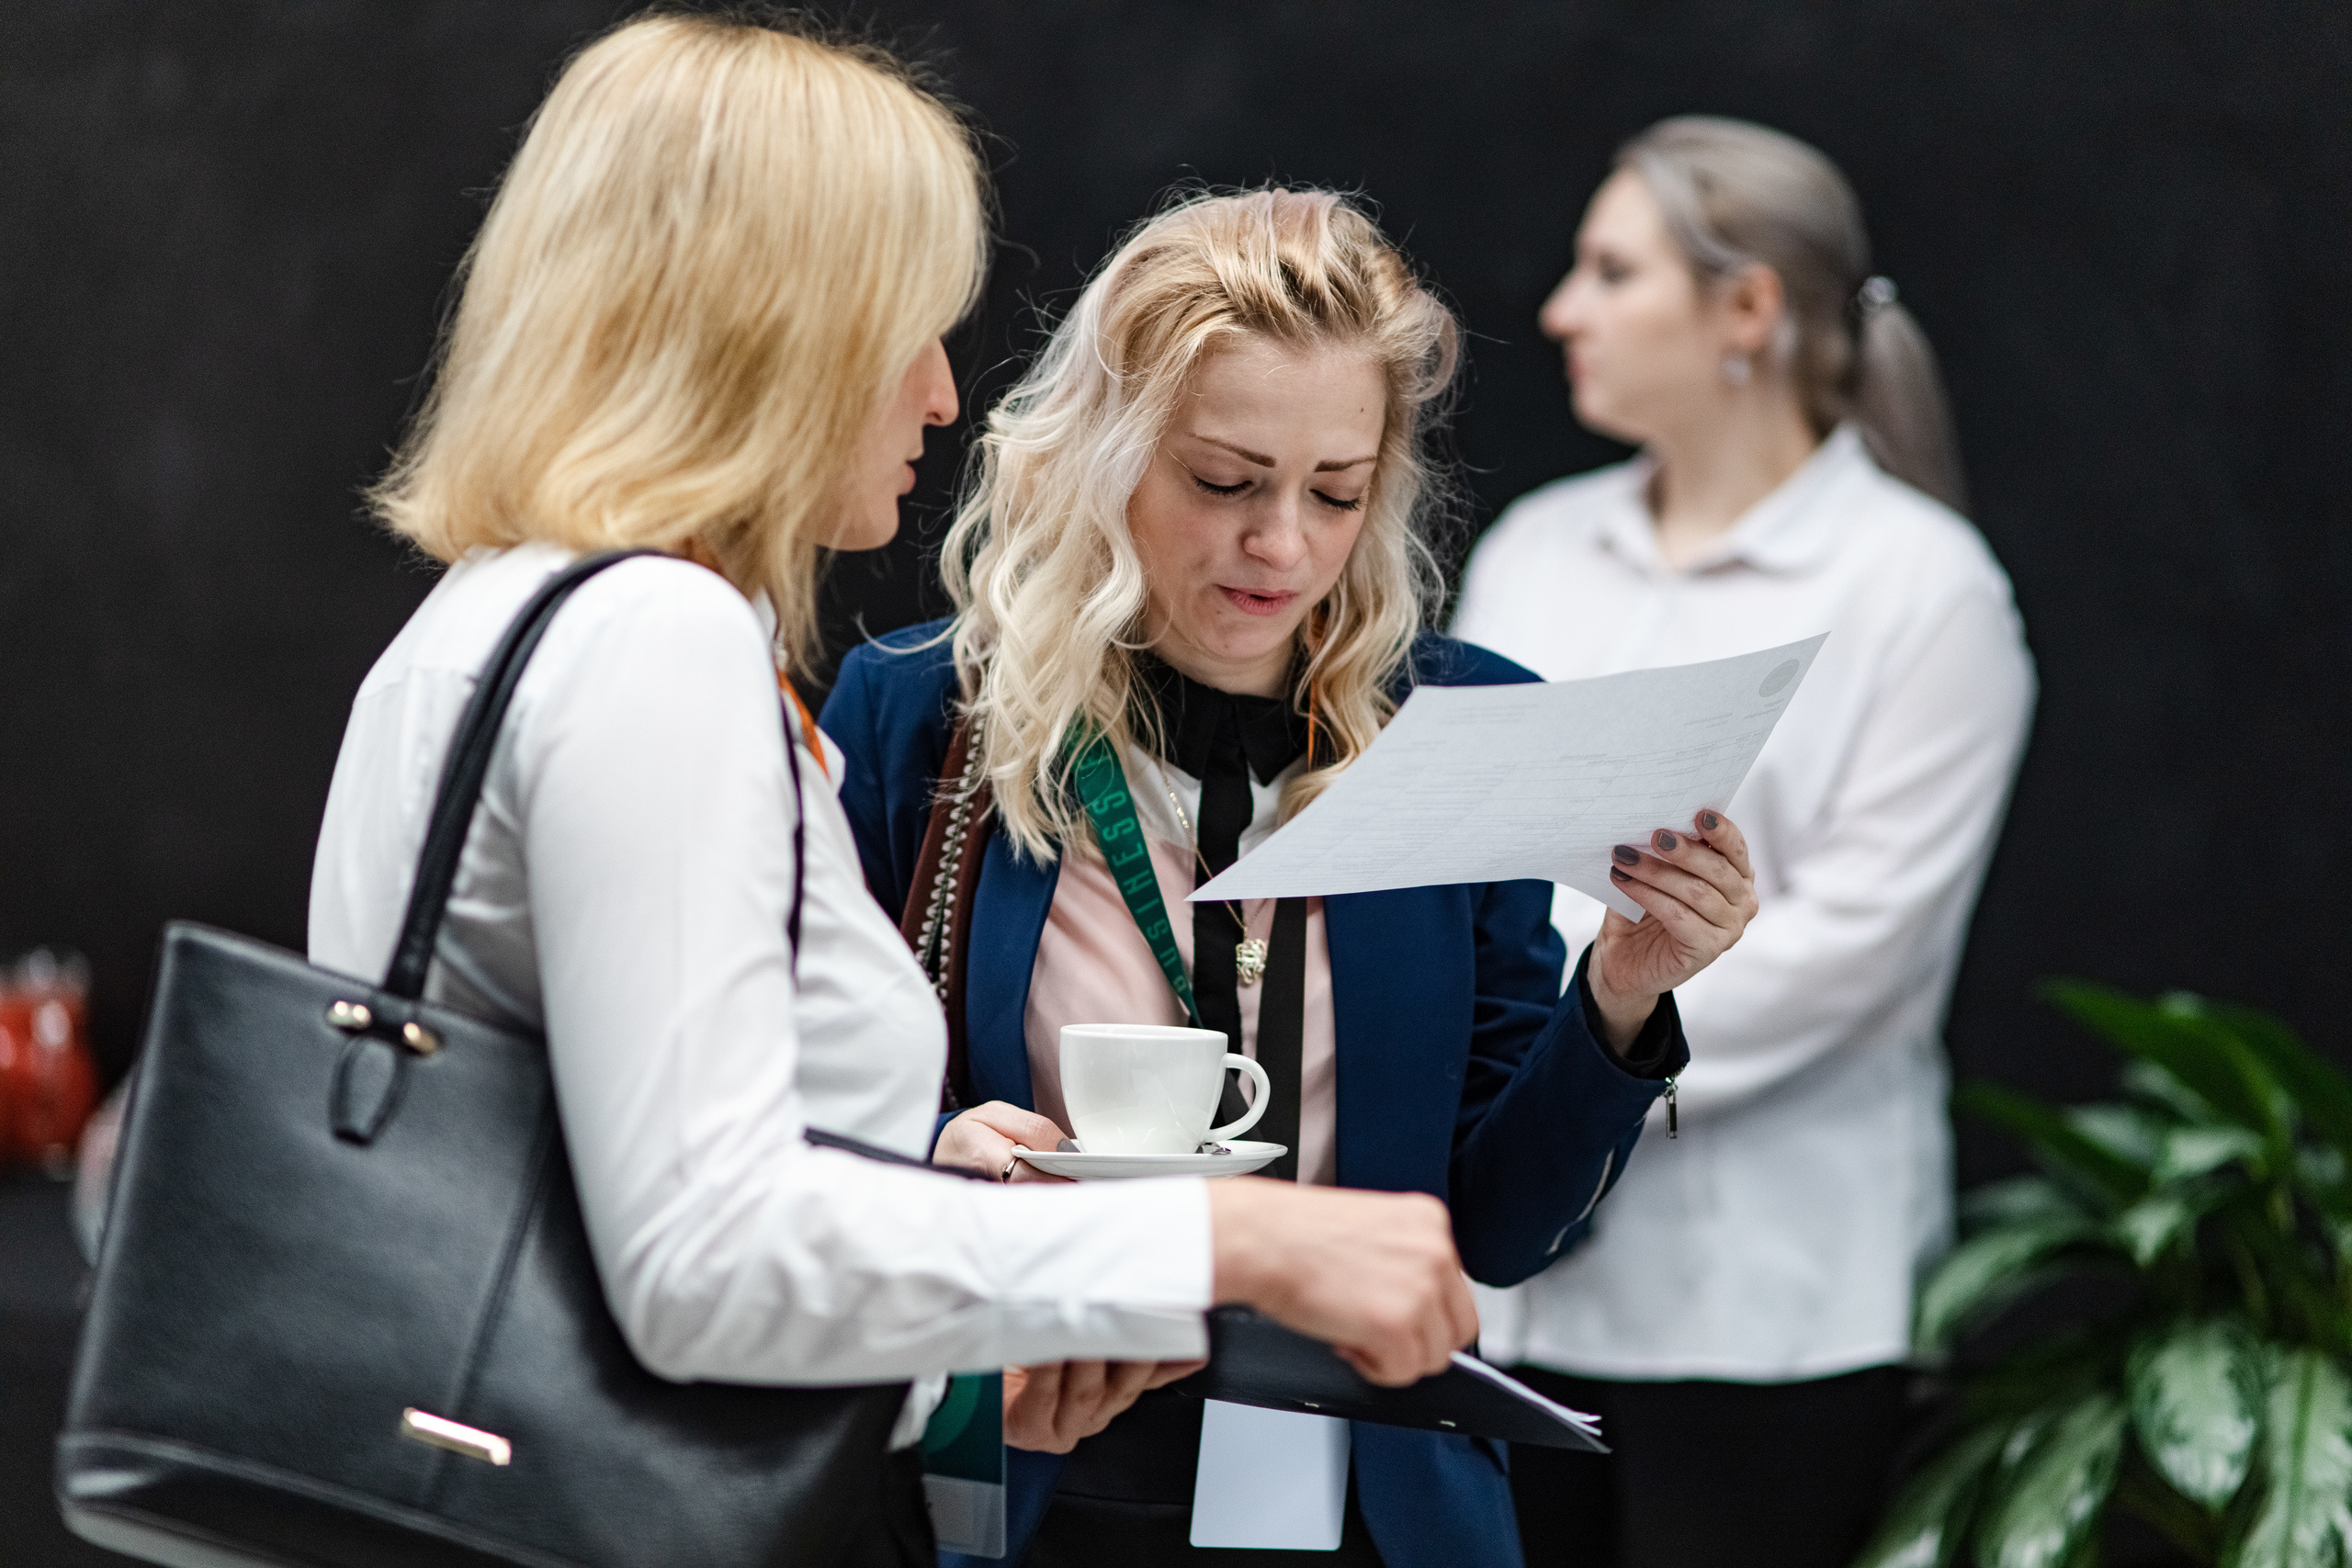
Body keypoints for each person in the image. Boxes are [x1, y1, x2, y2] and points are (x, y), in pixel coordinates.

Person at [306, 17, 1482, 1564]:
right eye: (916, 328)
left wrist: (975, 1323)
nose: (943, 397)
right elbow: (702, 1256)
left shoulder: (498, 610)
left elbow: (647, 1168)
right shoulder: (654, 642)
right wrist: (1223, 1230)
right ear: (772, 332)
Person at [821, 187, 1760, 1568]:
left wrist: (1619, 1000)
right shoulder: (919, 714)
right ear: (1106, 452)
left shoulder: (1466, 729)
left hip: (1368, 1501)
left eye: (1336, 492)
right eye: (1224, 481)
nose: (1284, 548)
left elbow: (1496, 1231)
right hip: (1011, 1461)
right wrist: (935, 1151)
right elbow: (798, 1118)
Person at [1453, 117, 2037, 1568]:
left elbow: (1853, 953)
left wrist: (1572, 1048)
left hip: (1765, 1309)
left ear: (1750, 310)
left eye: (1611, 270)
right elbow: (1457, 855)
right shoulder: (1535, 547)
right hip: (1511, 1285)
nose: (1559, 309)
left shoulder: (1924, 589)